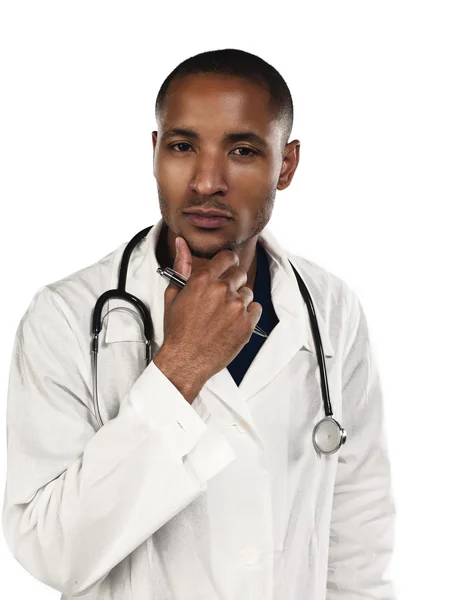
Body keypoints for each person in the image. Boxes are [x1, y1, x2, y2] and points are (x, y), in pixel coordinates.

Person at [2, 48, 397, 599]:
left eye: (242, 150)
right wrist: (179, 368)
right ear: (155, 152)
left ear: (286, 165)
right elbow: (50, 551)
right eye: (183, 146)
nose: (207, 181)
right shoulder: (65, 317)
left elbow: (357, 537)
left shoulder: (331, 308)